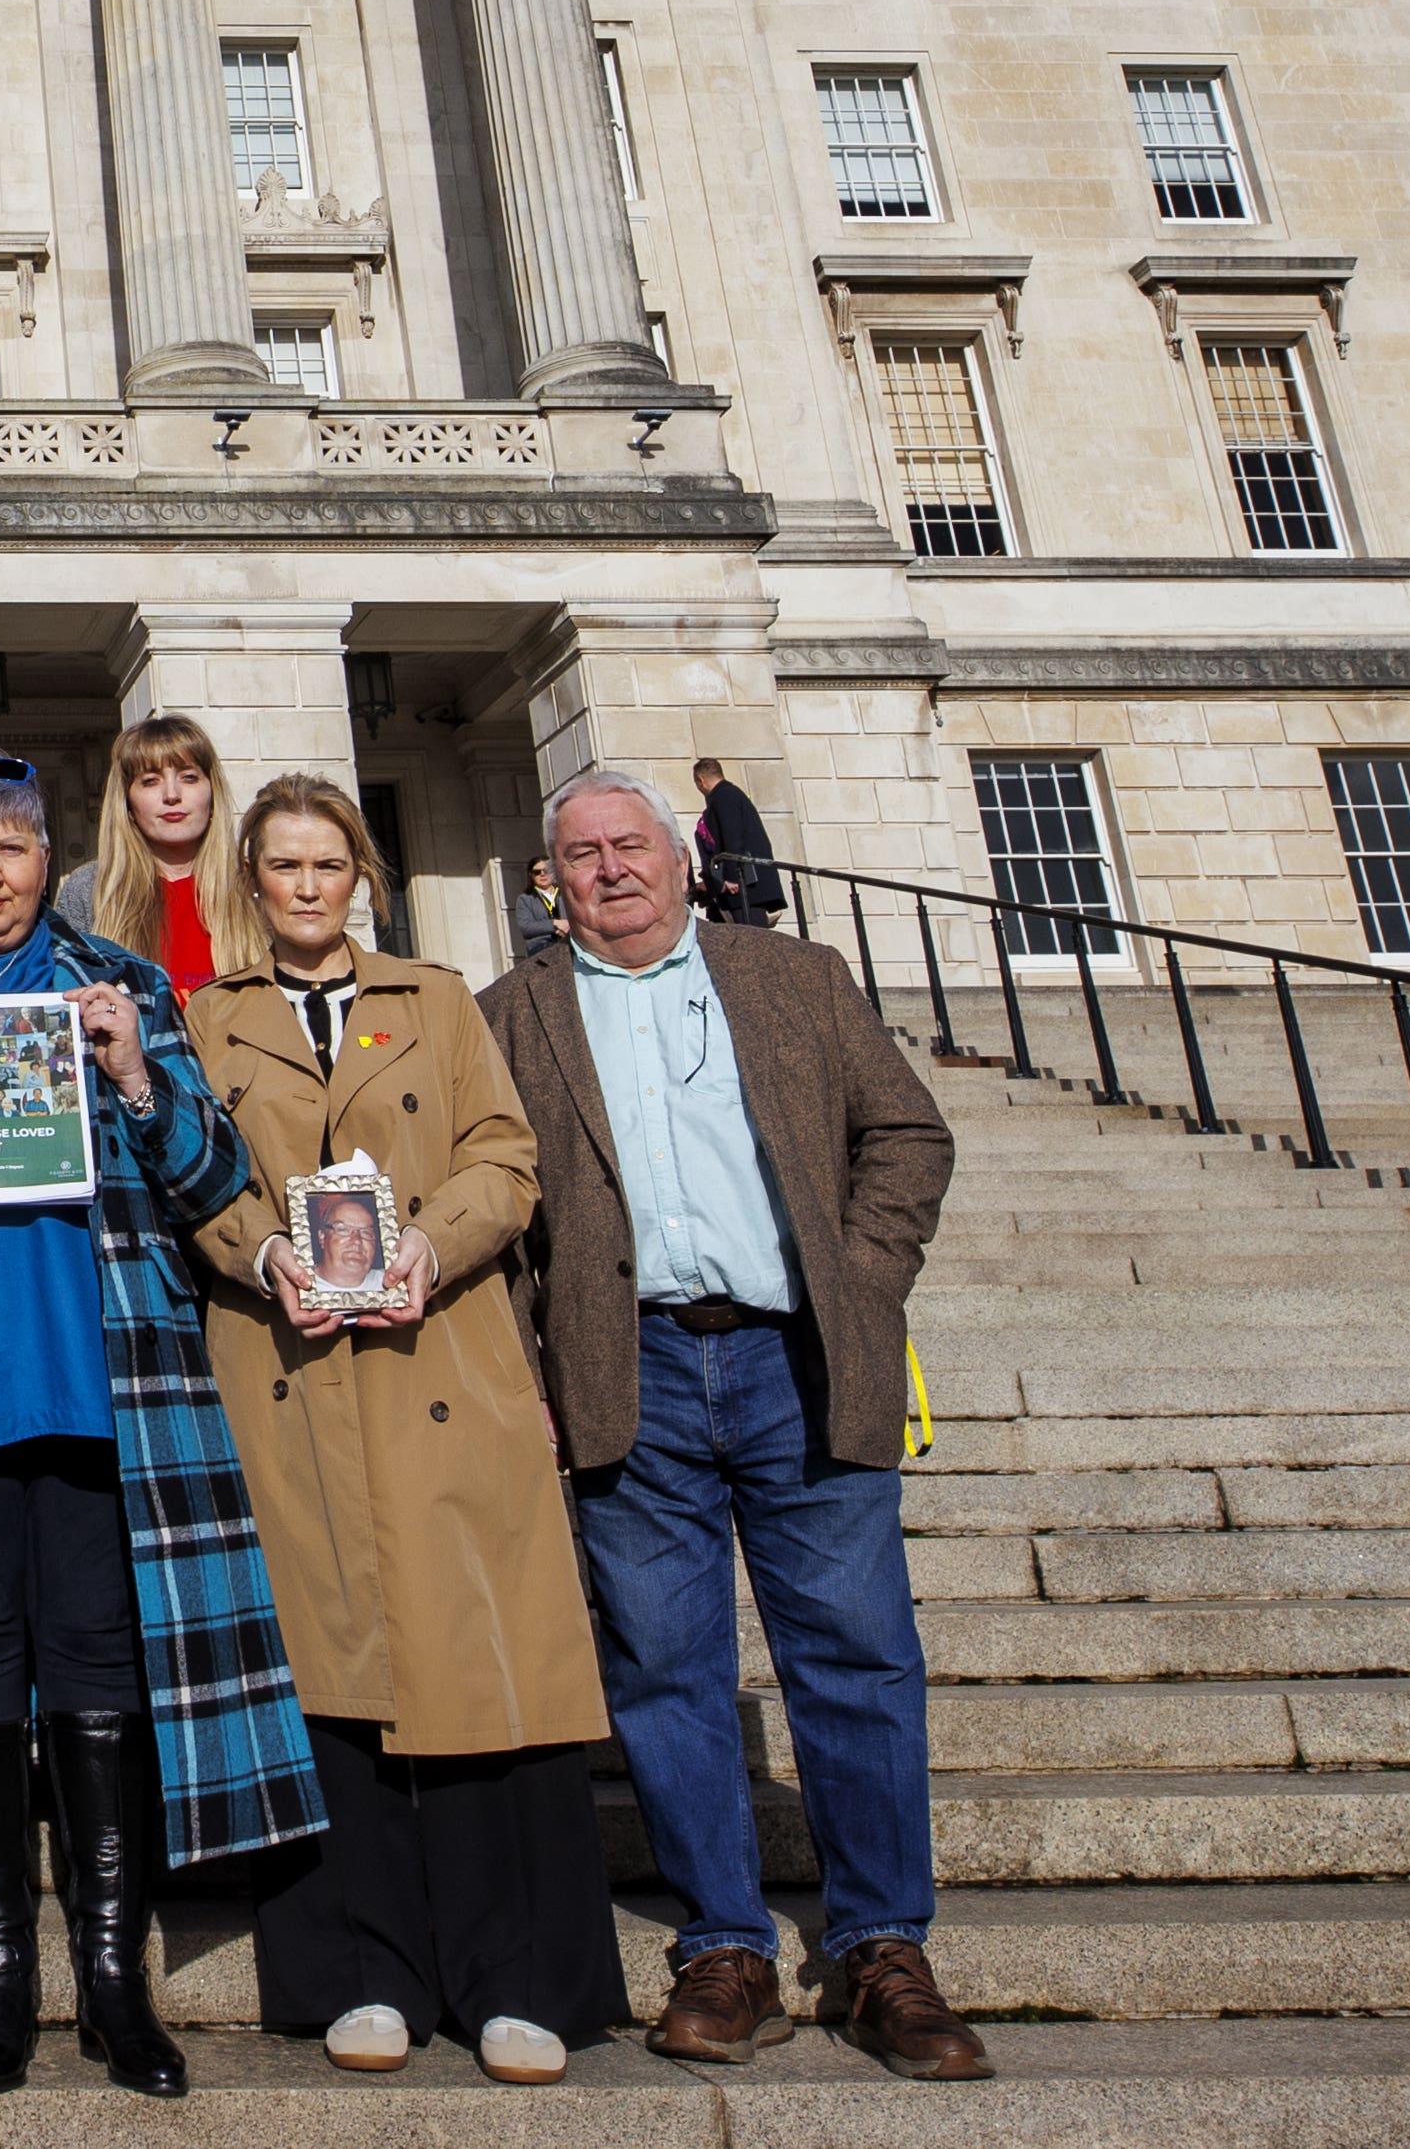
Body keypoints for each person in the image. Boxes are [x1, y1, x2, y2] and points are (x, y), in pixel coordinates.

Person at [0, 763, 318, 2100]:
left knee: (102, 1676)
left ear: (49, 861)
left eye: (13, 848)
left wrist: (136, 1076)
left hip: (107, 1373)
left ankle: (113, 1980)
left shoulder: (126, 983)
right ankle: (0, 1980)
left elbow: (216, 1176)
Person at [485, 766, 976, 2081]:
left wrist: (858, 1281)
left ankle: (881, 1944)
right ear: (553, 880)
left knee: (857, 1655)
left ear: (680, 856)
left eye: (629, 843)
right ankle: (724, 1946)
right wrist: (533, 1369)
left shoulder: (794, 976)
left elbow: (906, 1133)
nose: (609, 868)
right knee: (663, 1670)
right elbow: (501, 1211)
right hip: (627, 1366)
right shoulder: (513, 1011)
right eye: (580, 853)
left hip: (796, 1354)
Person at [185, 775, 625, 2084]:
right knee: (328, 1681)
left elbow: (506, 1155)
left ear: (362, 876)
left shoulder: (435, 999)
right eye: (284, 865)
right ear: (251, 881)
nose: (307, 886)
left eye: (329, 863)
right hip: (290, 1367)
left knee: (478, 1670)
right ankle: (359, 1971)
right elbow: (190, 1175)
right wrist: (262, 1251)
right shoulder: (209, 1017)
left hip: (437, 1356)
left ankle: (513, 1978)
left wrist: (432, 1242)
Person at [57, 713, 237, 1000]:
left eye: (189, 777)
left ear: (213, 792)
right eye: (151, 781)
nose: (171, 795)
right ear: (127, 801)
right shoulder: (88, 891)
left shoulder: (252, 884)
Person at [690, 756, 788, 925]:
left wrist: (731, 877)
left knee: (750, 936)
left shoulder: (724, 796)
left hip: (744, 887)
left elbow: (732, 836)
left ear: (701, 781)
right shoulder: (730, 794)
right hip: (743, 886)